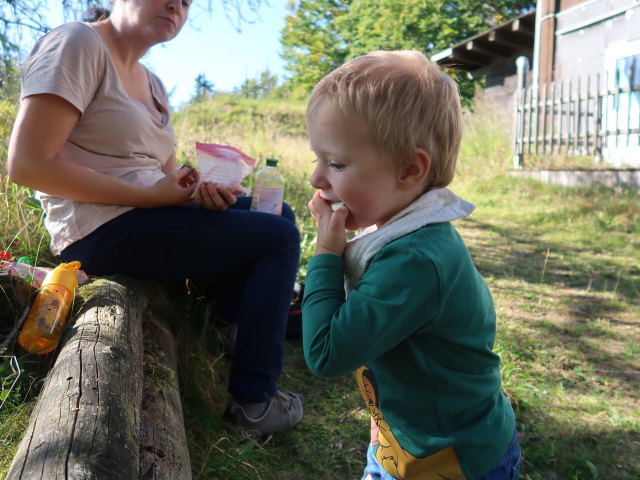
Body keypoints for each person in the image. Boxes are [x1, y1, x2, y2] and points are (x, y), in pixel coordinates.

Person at [7, 0, 303, 438]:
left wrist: (201, 194)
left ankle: (229, 325)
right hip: (98, 228)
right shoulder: (77, 44)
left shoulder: (155, 84)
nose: (176, 6)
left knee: (278, 213)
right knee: (277, 238)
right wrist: (148, 197)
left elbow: (165, 179)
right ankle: (254, 403)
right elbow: (29, 164)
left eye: (187, 2)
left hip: (144, 215)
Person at [302, 50, 520, 480]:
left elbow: (324, 354)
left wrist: (326, 254)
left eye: (336, 163)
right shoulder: (397, 231)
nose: (316, 180)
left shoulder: (415, 259)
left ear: (409, 170)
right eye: (318, 158)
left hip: (453, 463)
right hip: (400, 444)